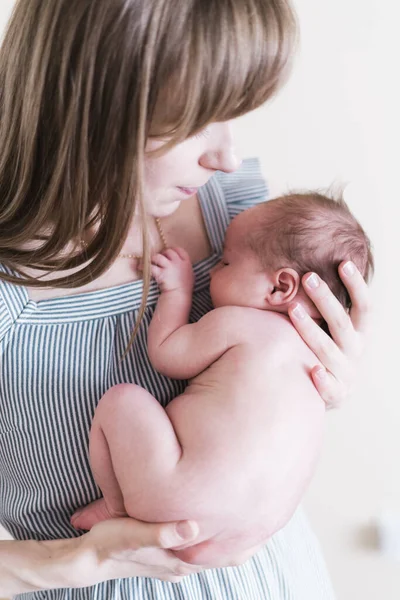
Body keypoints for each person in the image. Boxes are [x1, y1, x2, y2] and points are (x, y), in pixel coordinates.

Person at [0, 0, 371, 598]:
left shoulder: (239, 215)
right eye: (197, 117)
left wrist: (321, 379)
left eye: (233, 114)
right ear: (94, 103)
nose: (225, 156)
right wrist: (61, 564)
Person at [70, 192, 373, 567]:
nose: (212, 271)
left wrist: (177, 290)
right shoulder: (318, 358)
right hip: (249, 536)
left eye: (226, 262)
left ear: (280, 288)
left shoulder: (239, 322)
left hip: (176, 502)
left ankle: (117, 509)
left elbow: (167, 353)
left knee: (122, 399)